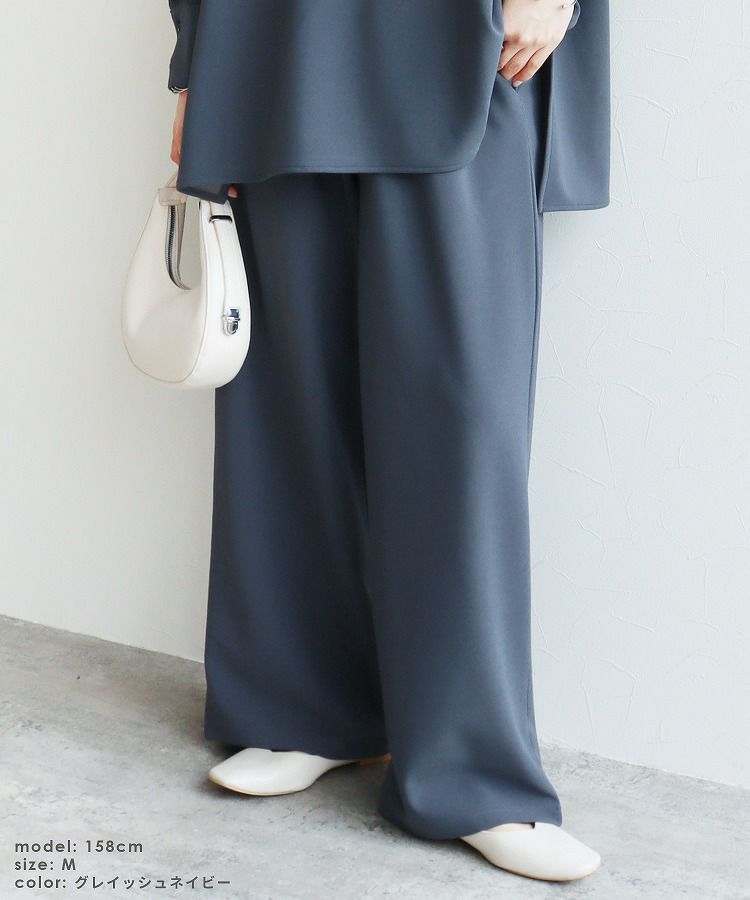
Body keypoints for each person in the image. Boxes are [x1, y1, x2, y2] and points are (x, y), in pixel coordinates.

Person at [166, 0, 610, 883]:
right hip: (273, 41)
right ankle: (304, 708)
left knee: (459, 425)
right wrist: (194, 65)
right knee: (287, 406)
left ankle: (472, 775)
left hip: (464, 39)